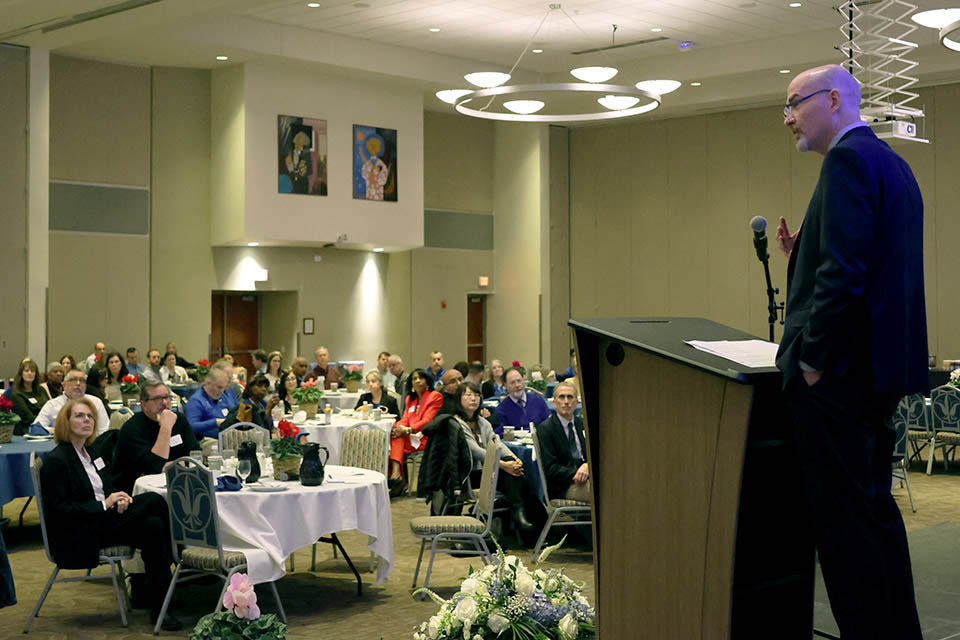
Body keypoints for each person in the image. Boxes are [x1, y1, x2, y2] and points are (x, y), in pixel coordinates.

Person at [775, 64, 927, 639]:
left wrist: (812, 360)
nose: (788, 117)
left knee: (844, 532)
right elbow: (872, 266)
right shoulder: (893, 164)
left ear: (834, 99)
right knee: (876, 517)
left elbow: (845, 275)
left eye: (794, 103)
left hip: (836, 380)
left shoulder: (845, 161)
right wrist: (801, 254)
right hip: (878, 376)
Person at [38, 397, 180, 630]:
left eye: (90, 416)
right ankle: (178, 554)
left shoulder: (91, 452)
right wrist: (105, 505)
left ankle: (160, 608)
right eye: (80, 416)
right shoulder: (57, 461)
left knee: (154, 527)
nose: (87, 420)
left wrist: (119, 496)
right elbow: (60, 512)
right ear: (65, 422)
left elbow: (106, 484)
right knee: (154, 500)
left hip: (103, 522)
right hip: (80, 533)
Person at [452, 382, 537, 534]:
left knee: (517, 473)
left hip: (487, 472)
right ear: (459, 399)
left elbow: (496, 442)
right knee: (508, 473)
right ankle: (526, 518)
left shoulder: (482, 422)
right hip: (467, 476)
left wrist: (513, 458)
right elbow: (476, 451)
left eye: (477, 395)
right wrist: (504, 465)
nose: (473, 399)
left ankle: (522, 516)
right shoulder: (456, 423)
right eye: (468, 395)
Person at [113, 380, 201, 494]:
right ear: (144, 405)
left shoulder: (179, 419)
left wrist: (174, 465)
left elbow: (195, 454)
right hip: (139, 492)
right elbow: (154, 469)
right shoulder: (132, 428)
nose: (164, 402)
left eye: (166, 397)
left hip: (179, 482)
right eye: (157, 399)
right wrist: (165, 427)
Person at [536, 382, 591, 504]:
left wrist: (588, 466)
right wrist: (578, 472)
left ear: (577, 402)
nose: (566, 401)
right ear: (554, 403)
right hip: (563, 486)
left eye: (570, 397)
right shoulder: (546, 429)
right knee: (605, 492)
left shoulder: (583, 424)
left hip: (587, 479)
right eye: (561, 397)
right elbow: (551, 469)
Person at [389, 369, 442, 495]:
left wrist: (407, 430)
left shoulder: (434, 396)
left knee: (396, 439)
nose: (418, 381)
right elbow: (405, 419)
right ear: (411, 383)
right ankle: (397, 477)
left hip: (425, 437)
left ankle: (397, 477)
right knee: (393, 436)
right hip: (410, 437)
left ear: (427, 381)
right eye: (414, 379)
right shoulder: (410, 399)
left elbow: (427, 420)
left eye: (421, 378)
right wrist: (398, 427)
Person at [33, 369, 109, 436]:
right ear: (64, 385)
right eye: (73, 380)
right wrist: (58, 431)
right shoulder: (52, 405)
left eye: (82, 380)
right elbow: (36, 427)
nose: (78, 383)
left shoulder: (96, 402)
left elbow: (104, 430)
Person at [494, 367, 550, 436]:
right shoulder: (501, 409)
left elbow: (549, 424)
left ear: (524, 381)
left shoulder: (538, 400)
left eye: (519, 381)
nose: (517, 385)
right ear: (506, 386)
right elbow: (501, 435)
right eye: (512, 383)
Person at [185, 367, 234, 439]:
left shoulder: (222, 396)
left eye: (223, 388)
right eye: (219, 387)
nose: (222, 391)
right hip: (207, 441)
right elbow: (191, 427)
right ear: (207, 383)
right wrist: (216, 422)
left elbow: (233, 411)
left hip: (227, 437)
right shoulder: (196, 401)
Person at [10, 359, 50, 433]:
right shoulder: (15, 393)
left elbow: (50, 408)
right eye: (26, 371)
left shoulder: (41, 390)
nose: (29, 373)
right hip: (26, 430)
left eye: (32, 371)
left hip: (46, 426)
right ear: (21, 374)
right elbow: (28, 418)